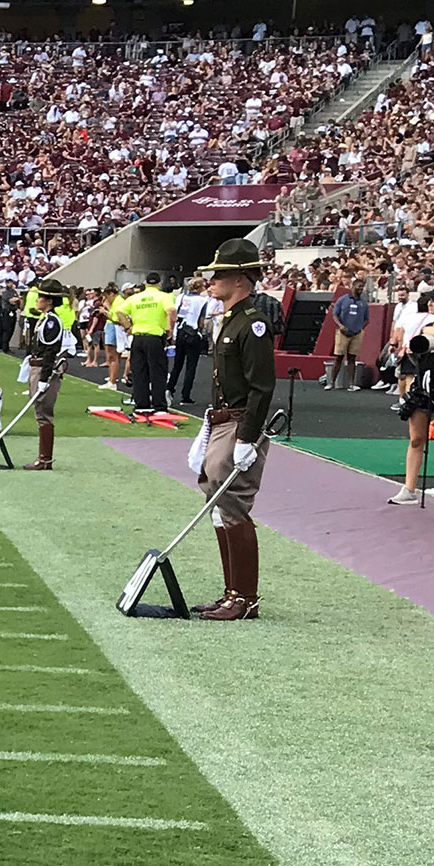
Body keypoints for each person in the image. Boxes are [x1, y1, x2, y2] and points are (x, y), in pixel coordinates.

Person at [186, 240, 278, 621]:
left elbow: (261, 386)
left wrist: (246, 438)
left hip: (240, 421)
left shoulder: (252, 322)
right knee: (217, 502)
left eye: (220, 273)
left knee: (233, 504)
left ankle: (245, 599)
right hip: (223, 419)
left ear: (241, 278)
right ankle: (231, 592)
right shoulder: (228, 318)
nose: (211, 279)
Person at [389, 284, 434, 507]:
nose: (430, 303)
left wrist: (426, 333)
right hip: (423, 384)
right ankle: (409, 487)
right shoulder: (428, 324)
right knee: (415, 438)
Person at [22, 279, 78, 471]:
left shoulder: (52, 322)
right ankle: (43, 457)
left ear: (50, 301)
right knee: (39, 413)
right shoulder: (46, 319)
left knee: (43, 414)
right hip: (37, 366)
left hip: (43, 369)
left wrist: (44, 379)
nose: (37, 300)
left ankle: (45, 459)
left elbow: (49, 352)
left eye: (41, 297)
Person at [125, 271, 175, 418]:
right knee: (158, 372)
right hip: (155, 337)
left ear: (145, 283)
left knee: (139, 371)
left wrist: (128, 326)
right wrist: (171, 327)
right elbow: (171, 310)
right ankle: (159, 406)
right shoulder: (165, 296)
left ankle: (141, 405)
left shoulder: (135, 298)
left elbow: (120, 312)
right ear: (159, 283)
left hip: (138, 336)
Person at [168, 276, 216, 407]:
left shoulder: (181, 297)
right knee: (191, 366)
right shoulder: (203, 301)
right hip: (193, 333)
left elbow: (176, 314)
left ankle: (169, 388)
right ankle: (185, 395)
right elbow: (201, 320)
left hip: (181, 331)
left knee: (177, 364)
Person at [325, 282, 369, 391]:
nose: (361, 289)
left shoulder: (363, 302)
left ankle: (351, 384)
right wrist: (340, 326)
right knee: (338, 357)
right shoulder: (342, 299)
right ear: (352, 286)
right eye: (359, 286)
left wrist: (360, 328)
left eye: (362, 287)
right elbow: (335, 314)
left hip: (357, 334)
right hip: (342, 332)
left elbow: (367, 319)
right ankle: (331, 383)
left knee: (352, 358)